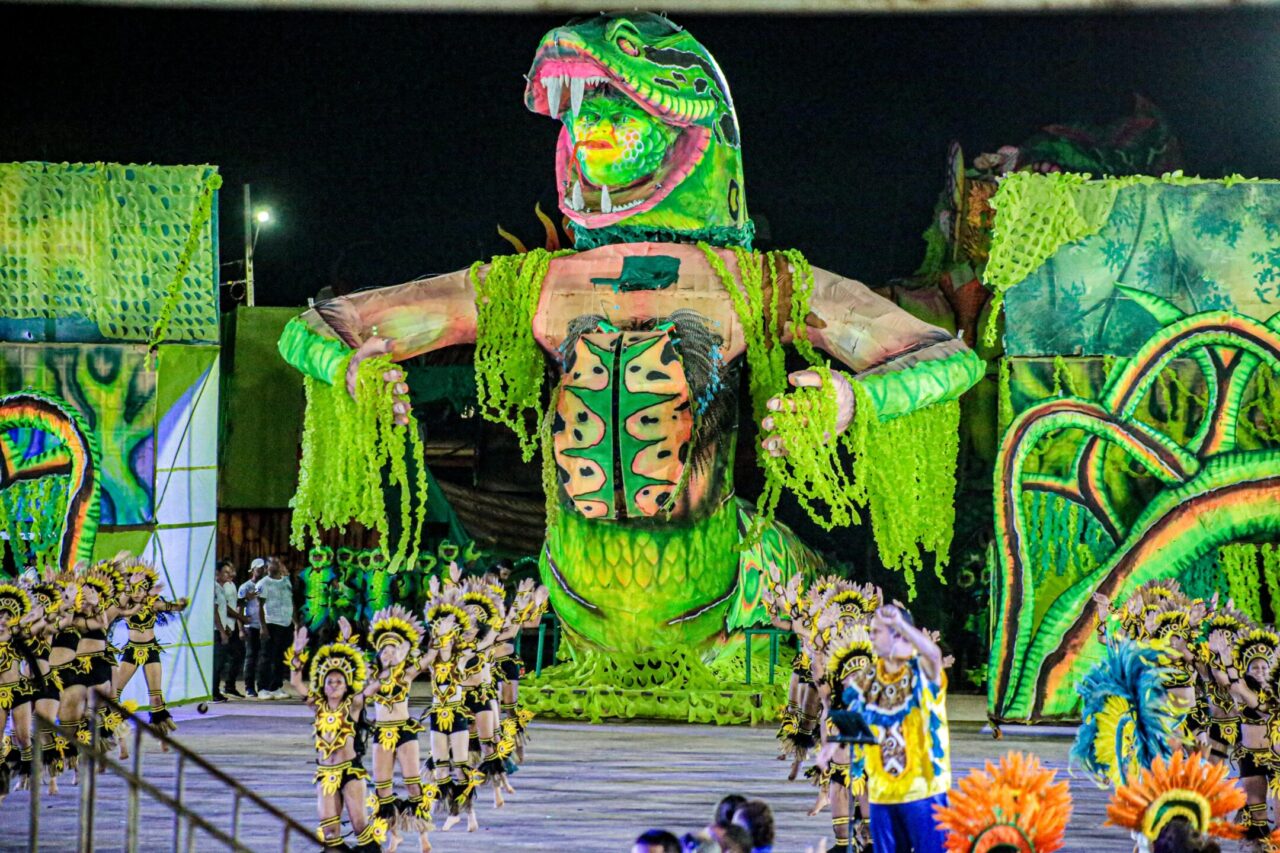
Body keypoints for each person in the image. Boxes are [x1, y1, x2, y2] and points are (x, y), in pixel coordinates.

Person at [843, 604, 950, 853]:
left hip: (923, 792)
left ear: (898, 635)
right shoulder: (868, 677)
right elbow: (853, 721)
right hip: (881, 794)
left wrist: (901, 625)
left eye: (877, 631)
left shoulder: (921, 671)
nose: (871, 636)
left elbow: (934, 656)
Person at [257, 557, 295, 699]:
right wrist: (263, 627)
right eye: (273, 562)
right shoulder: (263, 583)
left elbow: (291, 601)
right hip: (271, 623)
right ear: (267, 567)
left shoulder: (286, 582)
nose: (277, 564)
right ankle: (262, 688)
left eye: (278, 562)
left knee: (280, 657)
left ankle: (275, 687)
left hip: (286, 623)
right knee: (267, 656)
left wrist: (295, 622)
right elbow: (259, 606)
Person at [238, 558, 267, 698]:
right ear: (253, 569)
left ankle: (262, 686)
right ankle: (249, 687)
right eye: (258, 568)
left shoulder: (265, 585)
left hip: (264, 625)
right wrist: (241, 629)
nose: (260, 570)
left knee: (264, 657)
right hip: (250, 626)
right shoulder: (245, 587)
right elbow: (239, 608)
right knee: (251, 656)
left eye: (262, 568)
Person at [212, 560, 238, 701]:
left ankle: (215, 691)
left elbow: (222, 611)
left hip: (221, 628)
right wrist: (222, 631)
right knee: (217, 662)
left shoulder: (222, 588)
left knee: (221, 662)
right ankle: (213, 692)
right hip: (215, 630)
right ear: (217, 573)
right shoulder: (214, 588)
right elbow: (215, 611)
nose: (229, 574)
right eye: (225, 572)